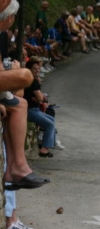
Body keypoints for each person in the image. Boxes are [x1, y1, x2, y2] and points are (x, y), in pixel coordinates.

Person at [0, 0, 50, 190]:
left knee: (20, 104)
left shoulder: (2, 36)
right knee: (25, 75)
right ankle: (17, 169)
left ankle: (16, 168)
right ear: (9, 18)